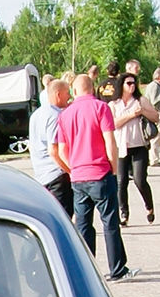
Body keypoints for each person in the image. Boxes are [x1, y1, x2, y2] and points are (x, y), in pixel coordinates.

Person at [52, 73, 136, 282]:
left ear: (74, 90)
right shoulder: (101, 108)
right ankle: (117, 268)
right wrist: (113, 167)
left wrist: (74, 168)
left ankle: (86, 270)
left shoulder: (65, 115)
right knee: (109, 222)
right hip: (100, 172)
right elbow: (110, 141)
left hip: (78, 177)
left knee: (83, 224)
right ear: (92, 88)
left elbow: (62, 150)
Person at [111, 73, 158, 224]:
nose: (132, 86)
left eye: (134, 83)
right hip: (121, 146)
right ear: (121, 85)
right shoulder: (114, 104)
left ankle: (149, 207)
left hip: (139, 146)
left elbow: (156, 117)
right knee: (121, 181)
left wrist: (143, 111)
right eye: (128, 83)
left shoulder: (141, 100)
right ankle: (124, 213)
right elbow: (113, 124)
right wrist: (132, 115)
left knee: (139, 179)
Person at [29, 79, 74, 215]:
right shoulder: (56, 116)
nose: (69, 97)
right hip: (57, 175)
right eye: (67, 93)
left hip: (42, 174)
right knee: (63, 218)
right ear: (58, 94)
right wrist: (71, 171)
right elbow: (54, 150)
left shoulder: (36, 115)